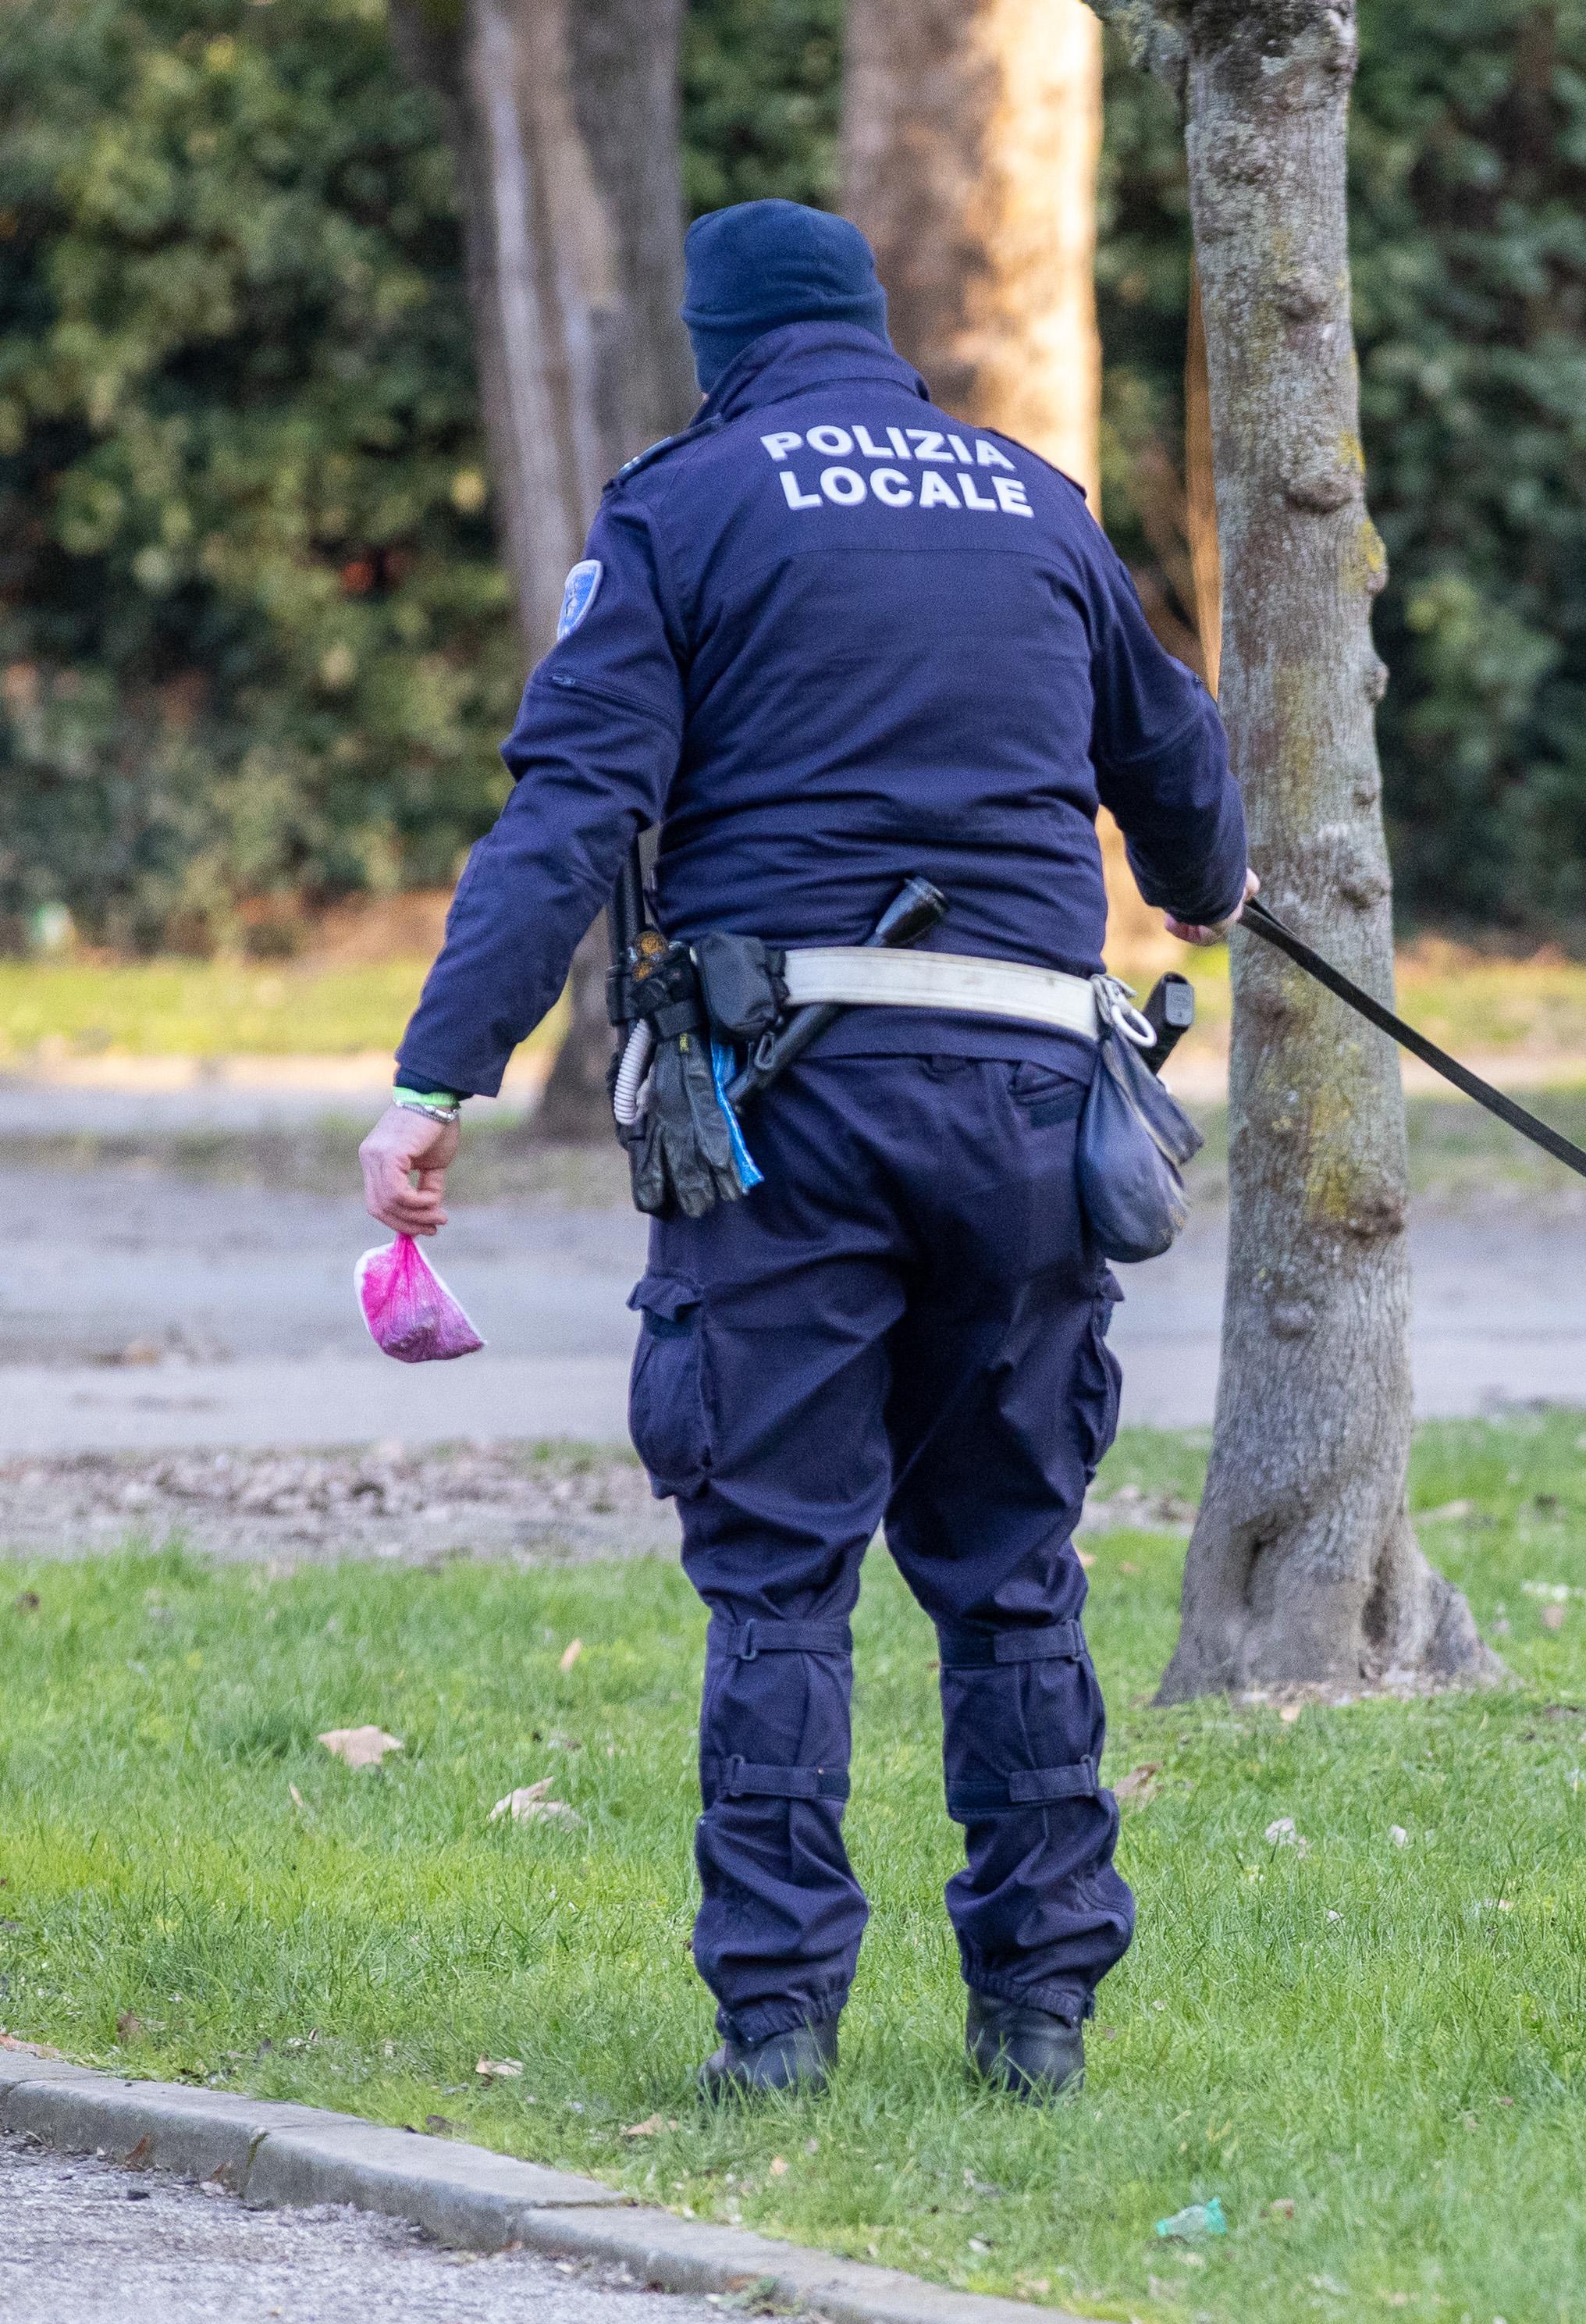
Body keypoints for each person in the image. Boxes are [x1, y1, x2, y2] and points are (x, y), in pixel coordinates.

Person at [359, 200, 1253, 2099]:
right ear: (872, 326)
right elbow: (1182, 781)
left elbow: (572, 811)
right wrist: (1203, 889)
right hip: (1030, 1100)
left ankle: (775, 2029)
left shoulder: (683, 506)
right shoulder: (1034, 501)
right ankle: (1039, 2018)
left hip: (787, 1106)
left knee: (779, 1571)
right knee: (1012, 1562)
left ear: (719, 340)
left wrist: (437, 1079)